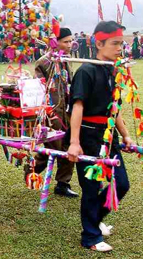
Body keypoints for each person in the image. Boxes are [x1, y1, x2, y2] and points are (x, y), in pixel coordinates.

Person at [66, 21, 133, 252]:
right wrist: (74, 143)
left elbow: (115, 108)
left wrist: (125, 136)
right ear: (99, 43)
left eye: (121, 44)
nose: (119, 48)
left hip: (108, 136)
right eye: (114, 43)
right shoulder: (86, 71)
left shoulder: (113, 70)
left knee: (121, 184)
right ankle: (90, 237)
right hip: (87, 137)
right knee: (91, 187)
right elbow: (77, 107)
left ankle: (96, 218)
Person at [24, 28, 78, 197]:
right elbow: (38, 88)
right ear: (55, 42)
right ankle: (32, 169)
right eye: (66, 42)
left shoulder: (66, 59)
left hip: (68, 111)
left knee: (68, 147)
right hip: (51, 112)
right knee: (52, 148)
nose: (69, 45)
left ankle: (63, 183)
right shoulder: (43, 62)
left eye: (71, 41)